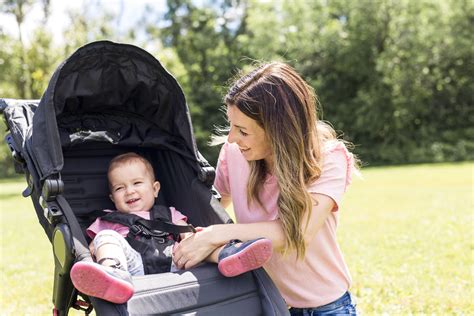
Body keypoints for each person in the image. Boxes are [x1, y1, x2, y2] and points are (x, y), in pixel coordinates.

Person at [173, 62, 359, 315]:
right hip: (263, 304)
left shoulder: (327, 158)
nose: (231, 138)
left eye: (242, 131)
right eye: (231, 126)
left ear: (278, 130)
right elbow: (207, 210)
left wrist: (217, 234)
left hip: (325, 308)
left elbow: (296, 234)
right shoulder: (234, 153)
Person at [70, 152, 273, 304]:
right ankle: (111, 274)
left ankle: (229, 256)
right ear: (112, 198)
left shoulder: (170, 214)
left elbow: (188, 237)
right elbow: (95, 246)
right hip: (131, 269)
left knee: (199, 240)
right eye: (119, 188)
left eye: (137, 183)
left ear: (155, 189)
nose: (129, 191)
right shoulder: (108, 220)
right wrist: (97, 253)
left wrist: (195, 244)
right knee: (105, 237)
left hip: (174, 262)